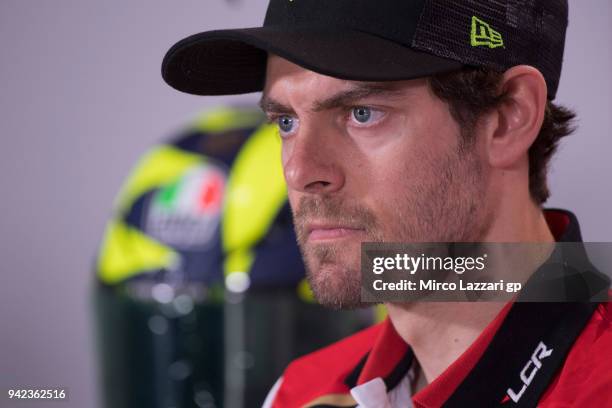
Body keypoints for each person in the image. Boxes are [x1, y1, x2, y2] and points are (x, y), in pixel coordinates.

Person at [161, 1, 612, 406]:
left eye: (362, 113)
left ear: (508, 118)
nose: (300, 172)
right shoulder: (301, 392)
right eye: (286, 121)